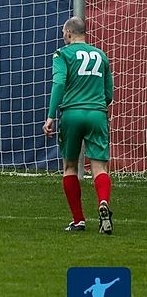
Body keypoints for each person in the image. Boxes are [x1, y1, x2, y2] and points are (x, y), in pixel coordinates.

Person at [43, 16, 115, 234]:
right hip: (96, 114)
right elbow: (109, 94)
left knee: (70, 167)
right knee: (99, 167)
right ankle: (103, 203)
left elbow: (59, 83)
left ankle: (78, 221)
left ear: (68, 33)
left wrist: (50, 116)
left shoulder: (62, 54)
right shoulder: (101, 55)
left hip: (72, 114)